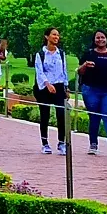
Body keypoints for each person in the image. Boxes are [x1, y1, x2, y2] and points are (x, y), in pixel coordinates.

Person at [76, 30, 107, 157]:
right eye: (97, 38)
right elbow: (79, 72)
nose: (100, 40)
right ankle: (93, 144)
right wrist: (85, 65)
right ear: (94, 40)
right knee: (94, 117)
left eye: (103, 37)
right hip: (91, 90)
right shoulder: (89, 53)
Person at [33, 27, 69, 155]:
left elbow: (64, 70)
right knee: (45, 115)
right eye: (54, 35)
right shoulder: (40, 54)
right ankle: (45, 143)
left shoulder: (61, 53)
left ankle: (61, 142)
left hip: (58, 87)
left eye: (58, 35)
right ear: (47, 37)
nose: (56, 37)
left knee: (61, 114)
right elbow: (39, 71)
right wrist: (47, 83)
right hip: (44, 88)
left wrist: (66, 86)